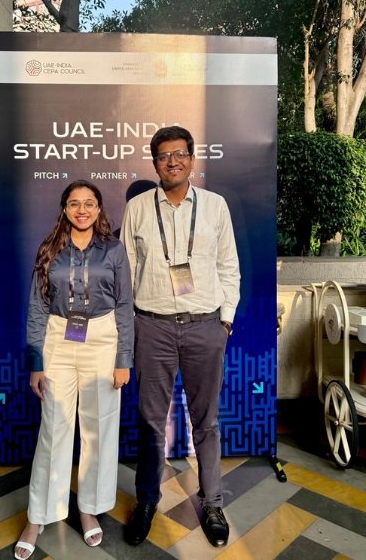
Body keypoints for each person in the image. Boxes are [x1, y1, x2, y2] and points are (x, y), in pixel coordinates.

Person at [120, 126, 241, 548]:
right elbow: (125, 272)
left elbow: (229, 266)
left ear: (191, 158)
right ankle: (147, 501)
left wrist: (225, 322)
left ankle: (213, 504)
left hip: (205, 327)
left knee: (206, 423)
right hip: (151, 327)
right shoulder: (137, 208)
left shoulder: (215, 206)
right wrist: (131, 326)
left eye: (180, 154)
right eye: (163, 155)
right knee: (150, 422)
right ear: (154, 163)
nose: (172, 161)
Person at [13, 180, 134, 560]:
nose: (82, 210)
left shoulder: (113, 250)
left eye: (89, 203)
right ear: (64, 209)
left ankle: (88, 509)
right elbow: (37, 307)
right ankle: (38, 516)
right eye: (74, 204)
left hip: (102, 339)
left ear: (99, 209)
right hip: (59, 339)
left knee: (98, 430)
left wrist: (123, 359)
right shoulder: (49, 249)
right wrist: (36, 363)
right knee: (54, 429)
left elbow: (125, 306)